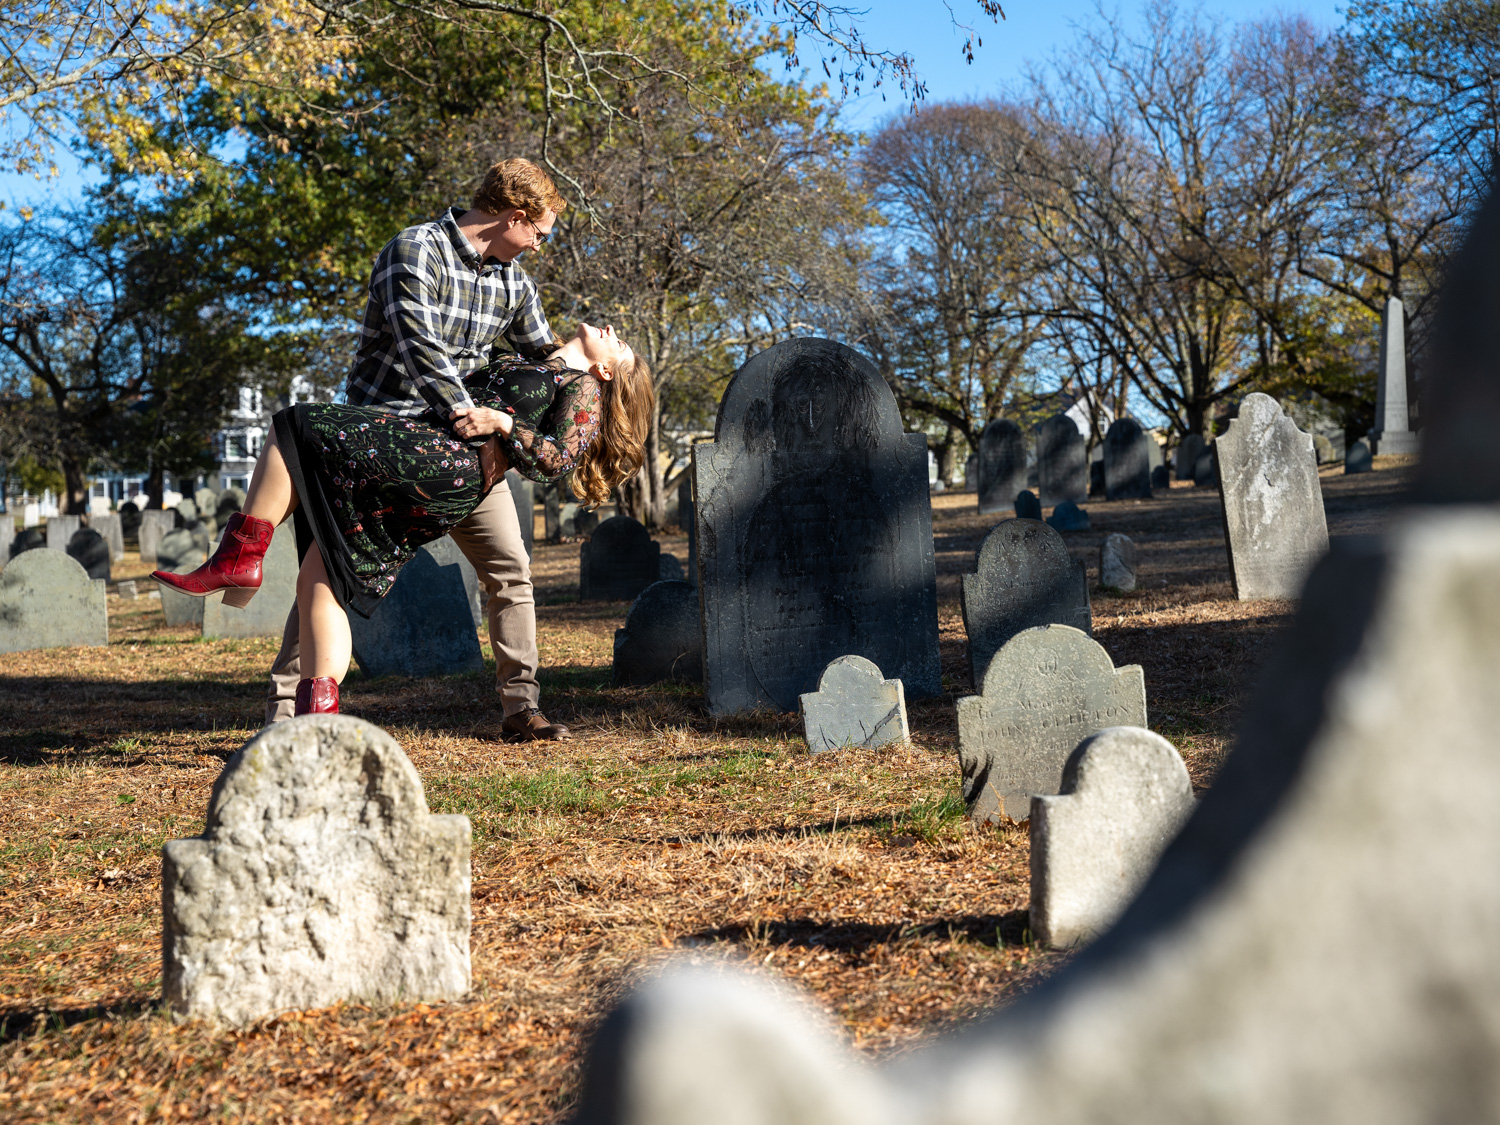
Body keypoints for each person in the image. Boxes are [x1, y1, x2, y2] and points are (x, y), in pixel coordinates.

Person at [151, 322, 652, 716]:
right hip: (428, 451)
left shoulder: (583, 387)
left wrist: (504, 424)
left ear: (606, 373)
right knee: (325, 572)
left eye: (621, 345)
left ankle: (240, 556)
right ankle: (315, 717)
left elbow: (558, 458)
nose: (613, 332)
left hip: (445, 463)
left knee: (297, 423)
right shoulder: (533, 357)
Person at [283, 158, 581, 739]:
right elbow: (423, 354)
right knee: (333, 572)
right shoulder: (415, 251)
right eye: (539, 234)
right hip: (383, 442)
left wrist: (573, 386)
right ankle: (283, 714)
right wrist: (478, 425)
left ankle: (521, 708)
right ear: (515, 217)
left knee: (511, 571)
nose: (540, 247)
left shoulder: (515, 283)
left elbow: (543, 364)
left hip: (465, 454)